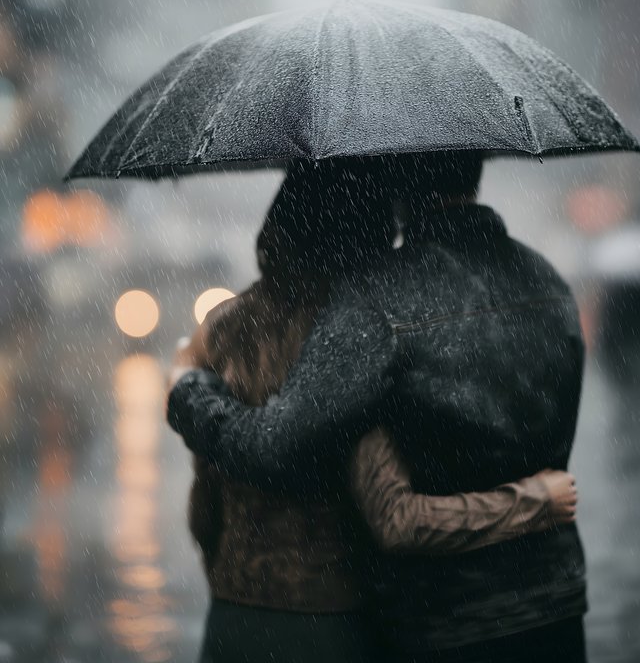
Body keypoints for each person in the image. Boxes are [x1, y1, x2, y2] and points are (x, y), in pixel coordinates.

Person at [169, 154, 586, 662]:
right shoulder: (549, 281)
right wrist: (537, 503)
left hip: (422, 618)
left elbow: (261, 466)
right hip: (551, 603)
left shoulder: (362, 308)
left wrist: (185, 388)